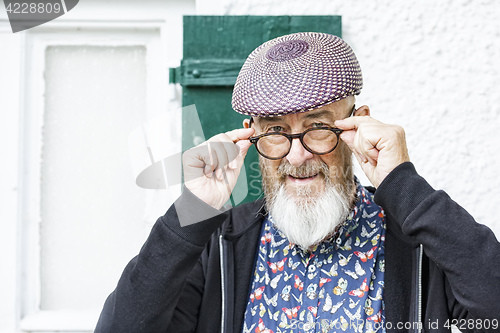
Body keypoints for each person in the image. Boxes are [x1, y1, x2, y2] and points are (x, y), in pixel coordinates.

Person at [95, 32, 500, 333]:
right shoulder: (218, 245)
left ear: (356, 123)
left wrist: (403, 185)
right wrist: (193, 210)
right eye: (275, 131)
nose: (297, 155)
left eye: (318, 126)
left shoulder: (415, 238)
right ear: (250, 136)